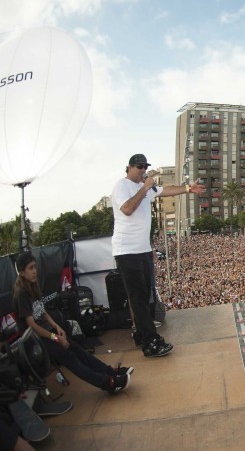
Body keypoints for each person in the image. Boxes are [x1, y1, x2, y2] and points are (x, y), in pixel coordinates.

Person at [111, 154, 203, 357]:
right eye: (139, 166)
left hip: (142, 249)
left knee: (145, 296)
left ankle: (141, 333)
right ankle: (150, 342)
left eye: (145, 166)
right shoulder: (122, 186)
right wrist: (144, 189)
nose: (143, 170)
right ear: (129, 167)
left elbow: (166, 190)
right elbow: (127, 209)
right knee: (138, 297)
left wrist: (188, 188)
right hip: (127, 251)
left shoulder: (145, 187)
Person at [12, 252, 132, 393]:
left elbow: (43, 312)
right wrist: (56, 338)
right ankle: (108, 383)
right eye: (30, 268)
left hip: (48, 332)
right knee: (70, 357)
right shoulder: (21, 294)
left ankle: (109, 371)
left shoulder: (33, 286)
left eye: (35, 267)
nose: (34, 271)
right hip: (36, 340)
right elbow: (32, 325)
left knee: (78, 350)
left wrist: (56, 327)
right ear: (22, 272)